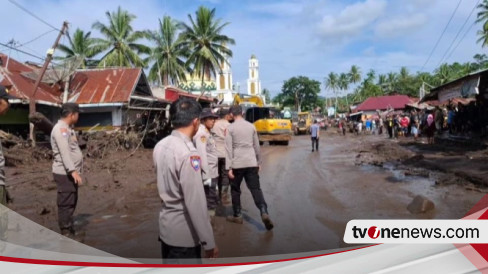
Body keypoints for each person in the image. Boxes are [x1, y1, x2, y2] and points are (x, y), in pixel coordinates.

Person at [153, 98, 218, 263]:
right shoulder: (190, 154)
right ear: (196, 122)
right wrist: (208, 241)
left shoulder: (160, 145)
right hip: (184, 236)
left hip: (166, 229)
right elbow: (195, 203)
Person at [225, 105, 274, 230]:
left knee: (235, 190)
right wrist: (259, 162)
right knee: (255, 189)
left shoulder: (230, 128)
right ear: (242, 113)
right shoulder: (251, 126)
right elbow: (257, 146)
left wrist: (228, 167)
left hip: (237, 163)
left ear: (231, 114)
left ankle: (238, 215)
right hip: (251, 162)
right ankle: (264, 212)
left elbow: (228, 149)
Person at [50, 103, 83, 237]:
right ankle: (65, 232)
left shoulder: (68, 129)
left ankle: (69, 227)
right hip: (64, 173)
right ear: (71, 114)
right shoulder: (60, 129)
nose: (78, 116)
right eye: (77, 113)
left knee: (71, 200)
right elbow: (64, 152)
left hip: (69, 173)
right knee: (66, 203)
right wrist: (72, 171)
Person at [193, 108, 220, 219]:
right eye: (210, 119)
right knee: (210, 200)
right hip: (208, 172)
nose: (213, 121)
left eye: (214, 119)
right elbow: (201, 154)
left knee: (212, 198)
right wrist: (206, 175)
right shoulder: (202, 134)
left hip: (213, 171)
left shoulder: (208, 132)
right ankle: (209, 225)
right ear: (203, 120)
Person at [212, 109, 232, 204]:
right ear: (227, 116)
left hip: (215, 153)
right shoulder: (229, 126)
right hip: (225, 154)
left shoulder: (214, 124)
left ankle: (214, 196)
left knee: (216, 175)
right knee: (225, 175)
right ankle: (224, 196)